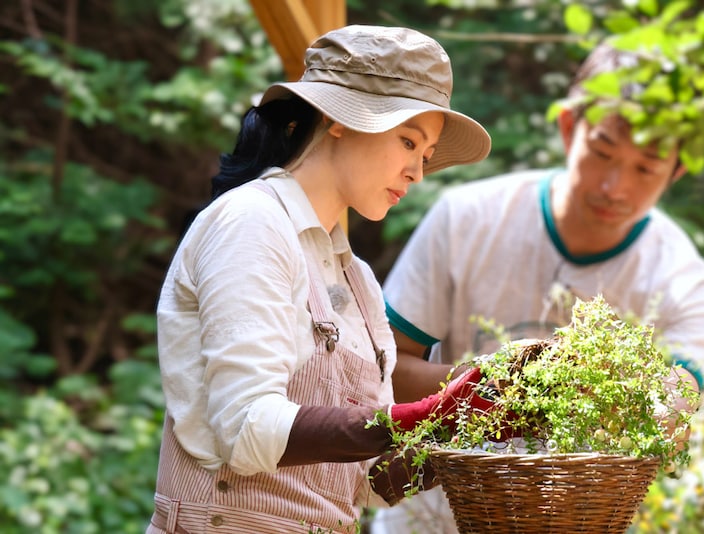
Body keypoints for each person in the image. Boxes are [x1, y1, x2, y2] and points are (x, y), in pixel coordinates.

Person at [146, 25, 494, 534]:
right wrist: (423, 412)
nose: (418, 172)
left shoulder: (359, 282)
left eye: (424, 155)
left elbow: (372, 483)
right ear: (337, 118)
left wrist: (473, 423)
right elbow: (245, 429)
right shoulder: (252, 222)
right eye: (407, 141)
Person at [370, 41, 704, 533]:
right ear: (567, 127)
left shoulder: (682, 280)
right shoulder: (466, 219)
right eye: (602, 153)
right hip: (432, 521)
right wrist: (508, 387)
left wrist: (666, 408)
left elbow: (679, 398)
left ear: (677, 170)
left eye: (646, 168)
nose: (615, 187)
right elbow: (382, 371)